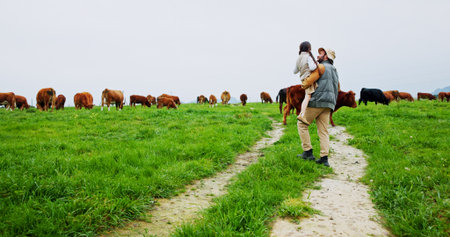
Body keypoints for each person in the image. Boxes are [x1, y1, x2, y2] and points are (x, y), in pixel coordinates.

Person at [297, 48, 339, 167]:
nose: (318, 55)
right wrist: (332, 104)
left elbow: (309, 81)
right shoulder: (335, 70)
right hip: (328, 104)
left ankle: (308, 152)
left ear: (326, 56)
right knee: (323, 131)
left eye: (321, 54)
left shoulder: (320, 67)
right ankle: (324, 158)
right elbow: (337, 88)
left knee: (302, 124)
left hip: (317, 101)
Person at [293, 41, 323, 125]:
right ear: (309, 48)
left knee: (307, 96)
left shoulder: (299, 57)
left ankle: (303, 114)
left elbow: (294, 71)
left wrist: (301, 68)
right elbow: (313, 68)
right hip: (308, 78)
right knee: (308, 96)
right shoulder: (308, 56)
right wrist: (316, 63)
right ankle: (302, 114)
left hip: (303, 79)